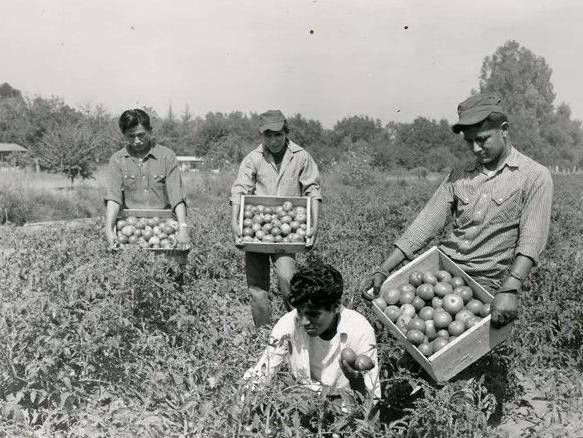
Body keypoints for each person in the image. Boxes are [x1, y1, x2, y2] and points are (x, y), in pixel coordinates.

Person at [362, 93, 553, 328]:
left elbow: (531, 240)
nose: (475, 148)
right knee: (410, 330)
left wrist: (511, 287)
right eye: (469, 141)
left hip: (483, 281)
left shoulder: (534, 176)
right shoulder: (460, 174)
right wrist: (384, 269)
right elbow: (424, 225)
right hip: (440, 271)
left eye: (482, 139)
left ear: (503, 129)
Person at [230, 110, 322, 327]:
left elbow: (312, 191)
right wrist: (235, 222)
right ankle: (264, 331)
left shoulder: (301, 157)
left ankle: (299, 326)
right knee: (257, 288)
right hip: (257, 228)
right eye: (267, 136)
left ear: (286, 132)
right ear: (261, 136)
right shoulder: (253, 158)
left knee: (287, 277)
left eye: (278, 135)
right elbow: (239, 190)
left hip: (287, 232)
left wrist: (314, 225)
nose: (273, 141)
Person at [243, 262, 381, 399]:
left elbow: (372, 400)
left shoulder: (360, 331)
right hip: (304, 402)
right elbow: (263, 373)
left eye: (313, 314)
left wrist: (356, 381)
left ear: (336, 307)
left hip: (346, 409)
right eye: (300, 311)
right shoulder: (289, 323)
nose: (303, 321)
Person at [104, 109, 191, 252]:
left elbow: (177, 197)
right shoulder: (117, 159)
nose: (137, 141)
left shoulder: (167, 156)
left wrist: (183, 228)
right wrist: (108, 229)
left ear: (150, 131)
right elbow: (113, 198)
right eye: (131, 136)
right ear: (124, 135)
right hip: (129, 228)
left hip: (164, 226)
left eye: (141, 135)